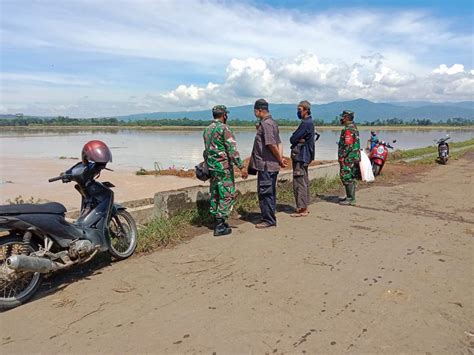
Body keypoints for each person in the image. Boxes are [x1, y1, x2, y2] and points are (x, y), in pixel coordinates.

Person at [203, 105, 248, 237]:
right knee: (227, 194)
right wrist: (241, 167)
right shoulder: (224, 129)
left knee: (216, 193)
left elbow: (206, 150)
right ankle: (220, 224)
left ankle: (216, 219)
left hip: (212, 168)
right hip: (223, 168)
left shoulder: (207, 129)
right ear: (224, 115)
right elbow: (232, 151)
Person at [249, 99, 287, 228]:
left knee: (265, 193)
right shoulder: (272, 124)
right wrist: (280, 159)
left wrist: (280, 159)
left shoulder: (266, 124)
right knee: (269, 192)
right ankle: (268, 216)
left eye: (255, 111)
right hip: (270, 165)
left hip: (266, 165)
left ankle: (269, 220)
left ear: (259, 110)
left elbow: (271, 144)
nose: (254, 113)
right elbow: (279, 143)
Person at [289, 100, 315, 217]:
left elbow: (293, 139)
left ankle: (302, 209)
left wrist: (297, 138)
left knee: (300, 182)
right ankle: (304, 207)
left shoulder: (306, 123)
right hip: (304, 156)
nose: (298, 112)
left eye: (299, 110)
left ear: (306, 110)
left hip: (301, 156)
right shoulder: (308, 122)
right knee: (303, 180)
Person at [338, 110, 360, 206]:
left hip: (348, 158)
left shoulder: (348, 129)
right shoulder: (354, 127)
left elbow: (348, 145)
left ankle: (350, 198)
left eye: (343, 116)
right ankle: (350, 197)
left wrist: (342, 156)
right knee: (351, 176)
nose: (342, 118)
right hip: (353, 157)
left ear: (346, 117)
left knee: (346, 176)